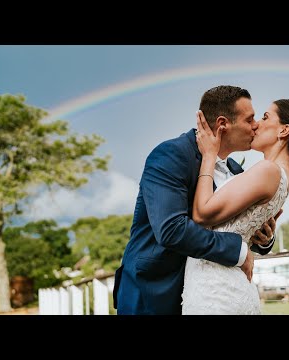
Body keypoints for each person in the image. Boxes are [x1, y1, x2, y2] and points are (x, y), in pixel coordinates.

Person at [113, 85, 280, 315]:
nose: (256, 125)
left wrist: (263, 239)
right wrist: (238, 252)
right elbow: (171, 229)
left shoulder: (236, 170)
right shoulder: (170, 155)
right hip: (155, 292)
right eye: (249, 119)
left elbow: (235, 228)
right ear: (223, 124)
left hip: (208, 294)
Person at [181, 98, 289, 315]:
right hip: (224, 285)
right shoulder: (282, 175)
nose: (257, 124)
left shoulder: (268, 170)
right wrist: (265, 239)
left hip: (217, 292)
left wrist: (209, 155)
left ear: (284, 130)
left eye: (265, 117)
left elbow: (202, 214)